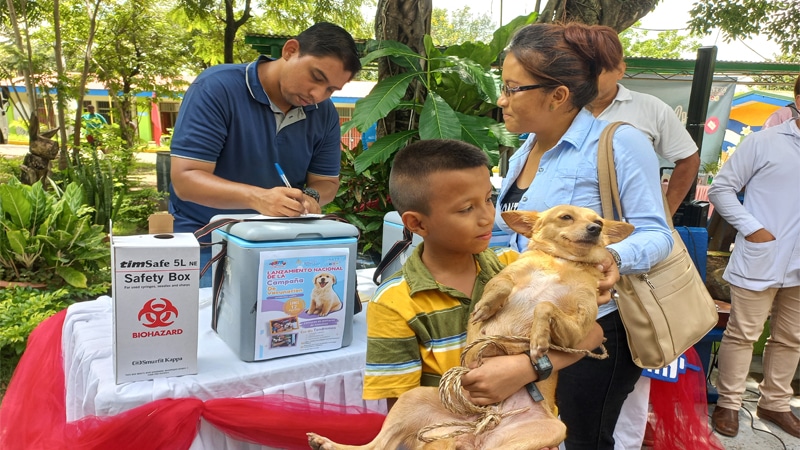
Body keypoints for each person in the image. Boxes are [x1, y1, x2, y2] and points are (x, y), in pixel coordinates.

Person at [362, 139, 609, 450]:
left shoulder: (517, 267)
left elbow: (592, 335)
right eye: (466, 208)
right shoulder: (394, 301)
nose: (486, 217)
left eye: (489, 200)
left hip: (526, 433)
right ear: (417, 223)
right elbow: (407, 413)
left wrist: (525, 369)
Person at [493, 23, 673, 450]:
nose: (501, 100)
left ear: (557, 95)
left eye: (512, 88)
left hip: (595, 327)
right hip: (531, 323)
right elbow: (517, 235)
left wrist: (612, 256)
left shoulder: (619, 143)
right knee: (535, 434)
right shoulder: (526, 149)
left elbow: (657, 233)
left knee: (581, 438)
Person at [168, 22, 362, 287]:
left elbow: (326, 183)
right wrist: (258, 198)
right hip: (208, 243)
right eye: (316, 77)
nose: (318, 95)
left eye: (331, 89)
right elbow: (186, 179)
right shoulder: (217, 88)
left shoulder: (324, 113)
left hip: (280, 248)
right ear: (290, 50)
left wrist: (311, 197)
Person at [582, 25, 700, 450]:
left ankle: (628, 442)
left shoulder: (648, 109)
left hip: (638, 250)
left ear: (620, 69)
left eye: (601, 69)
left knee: (641, 344)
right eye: (583, 68)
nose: (592, 78)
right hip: (586, 255)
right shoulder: (561, 110)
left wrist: (664, 213)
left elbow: (687, 157)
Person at [707, 86, 800, 439]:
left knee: (792, 337)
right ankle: (729, 404)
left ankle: (775, 403)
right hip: (762, 253)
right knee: (743, 332)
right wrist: (752, 228)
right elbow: (721, 189)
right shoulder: (765, 142)